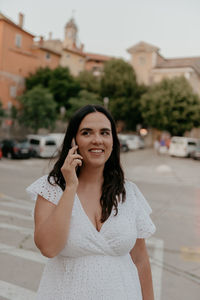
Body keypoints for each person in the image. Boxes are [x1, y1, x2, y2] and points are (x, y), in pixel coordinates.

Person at [26, 105, 156, 300]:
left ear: (113, 140)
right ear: (73, 140)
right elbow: (48, 248)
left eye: (105, 132)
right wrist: (70, 187)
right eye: (87, 132)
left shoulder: (128, 193)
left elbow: (140, 260)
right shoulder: (51, 188)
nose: (97, 140)